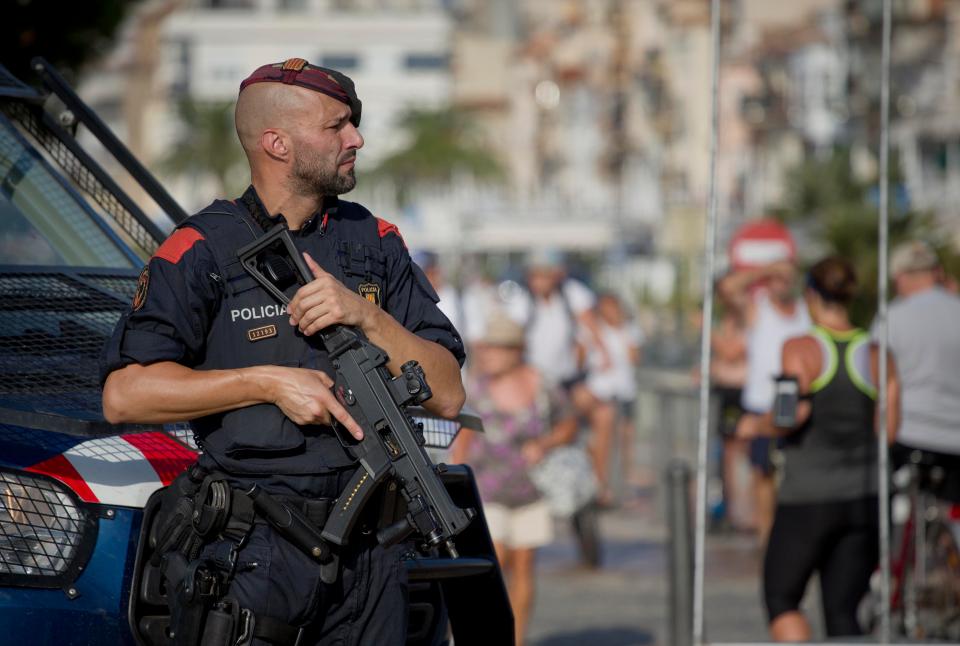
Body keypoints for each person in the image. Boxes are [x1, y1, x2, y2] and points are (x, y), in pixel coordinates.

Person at [100, 59, 465, 645]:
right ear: (277, 143)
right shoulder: (201, 248)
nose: (357, 139)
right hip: (258, 554)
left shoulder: (374, 242)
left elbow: (448, 393)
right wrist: (266, 382)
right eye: (336, 126)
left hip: (375, 556)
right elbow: (125, 395)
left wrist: (365, 315)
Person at [738, 256, 900, 641]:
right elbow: (889, 431)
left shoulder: (801, 348)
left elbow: (786, 415)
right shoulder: (879, 354)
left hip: (808, 496)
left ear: (811, 295)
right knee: (844, 611)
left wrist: (754, 424)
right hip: (865, 496)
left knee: (782, 597)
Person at [451, 311, 577, 646]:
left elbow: (569, 423)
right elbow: (461, 440)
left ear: (516, 350)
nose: (489, 353)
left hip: (532, 492)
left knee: (524, 568)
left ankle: (517, 639)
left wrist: (546, 444)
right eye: (487, 347)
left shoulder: (541, 384)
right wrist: (455, 487)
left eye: (497, 348)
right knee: (496, 564)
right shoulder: (475, 387)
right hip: (486, 492)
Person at [720, 259, 810, 544]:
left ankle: (793, 534)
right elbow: (727, 288)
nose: (781, 283)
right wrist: (766, 269)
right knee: (764, 474)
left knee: (798, 472)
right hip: (763, 403)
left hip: (798, 401)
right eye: (777, 279)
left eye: (787, 278)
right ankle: (767, 537)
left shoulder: (807, 310)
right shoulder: (758, 307)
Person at [876, 240, 960, 502]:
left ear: (900, 277)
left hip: (909, 433)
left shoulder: (891, 316)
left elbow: (879, 381)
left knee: (901, 510)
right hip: (955, 436)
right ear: (936, 272)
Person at [583, 293, 644, 499]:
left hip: (625, 391)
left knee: (625, 439)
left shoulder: (629, 329)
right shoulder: (594, 330)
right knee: (600, 439)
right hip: (601, 392)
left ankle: (622, 483)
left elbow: (635, 357)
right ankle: (599, 482)